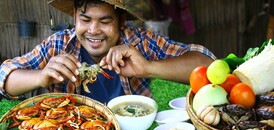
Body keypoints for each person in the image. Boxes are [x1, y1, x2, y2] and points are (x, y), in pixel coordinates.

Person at [0, 0, 215, 104]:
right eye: (85, 20)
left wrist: (149, 67)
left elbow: (208, 65)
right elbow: (4, 76)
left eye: (105, 21)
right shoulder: (58, 45)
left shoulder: (141, 43)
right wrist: (40, 76)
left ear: (121, 21)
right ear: (75, 17)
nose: (93, 30)